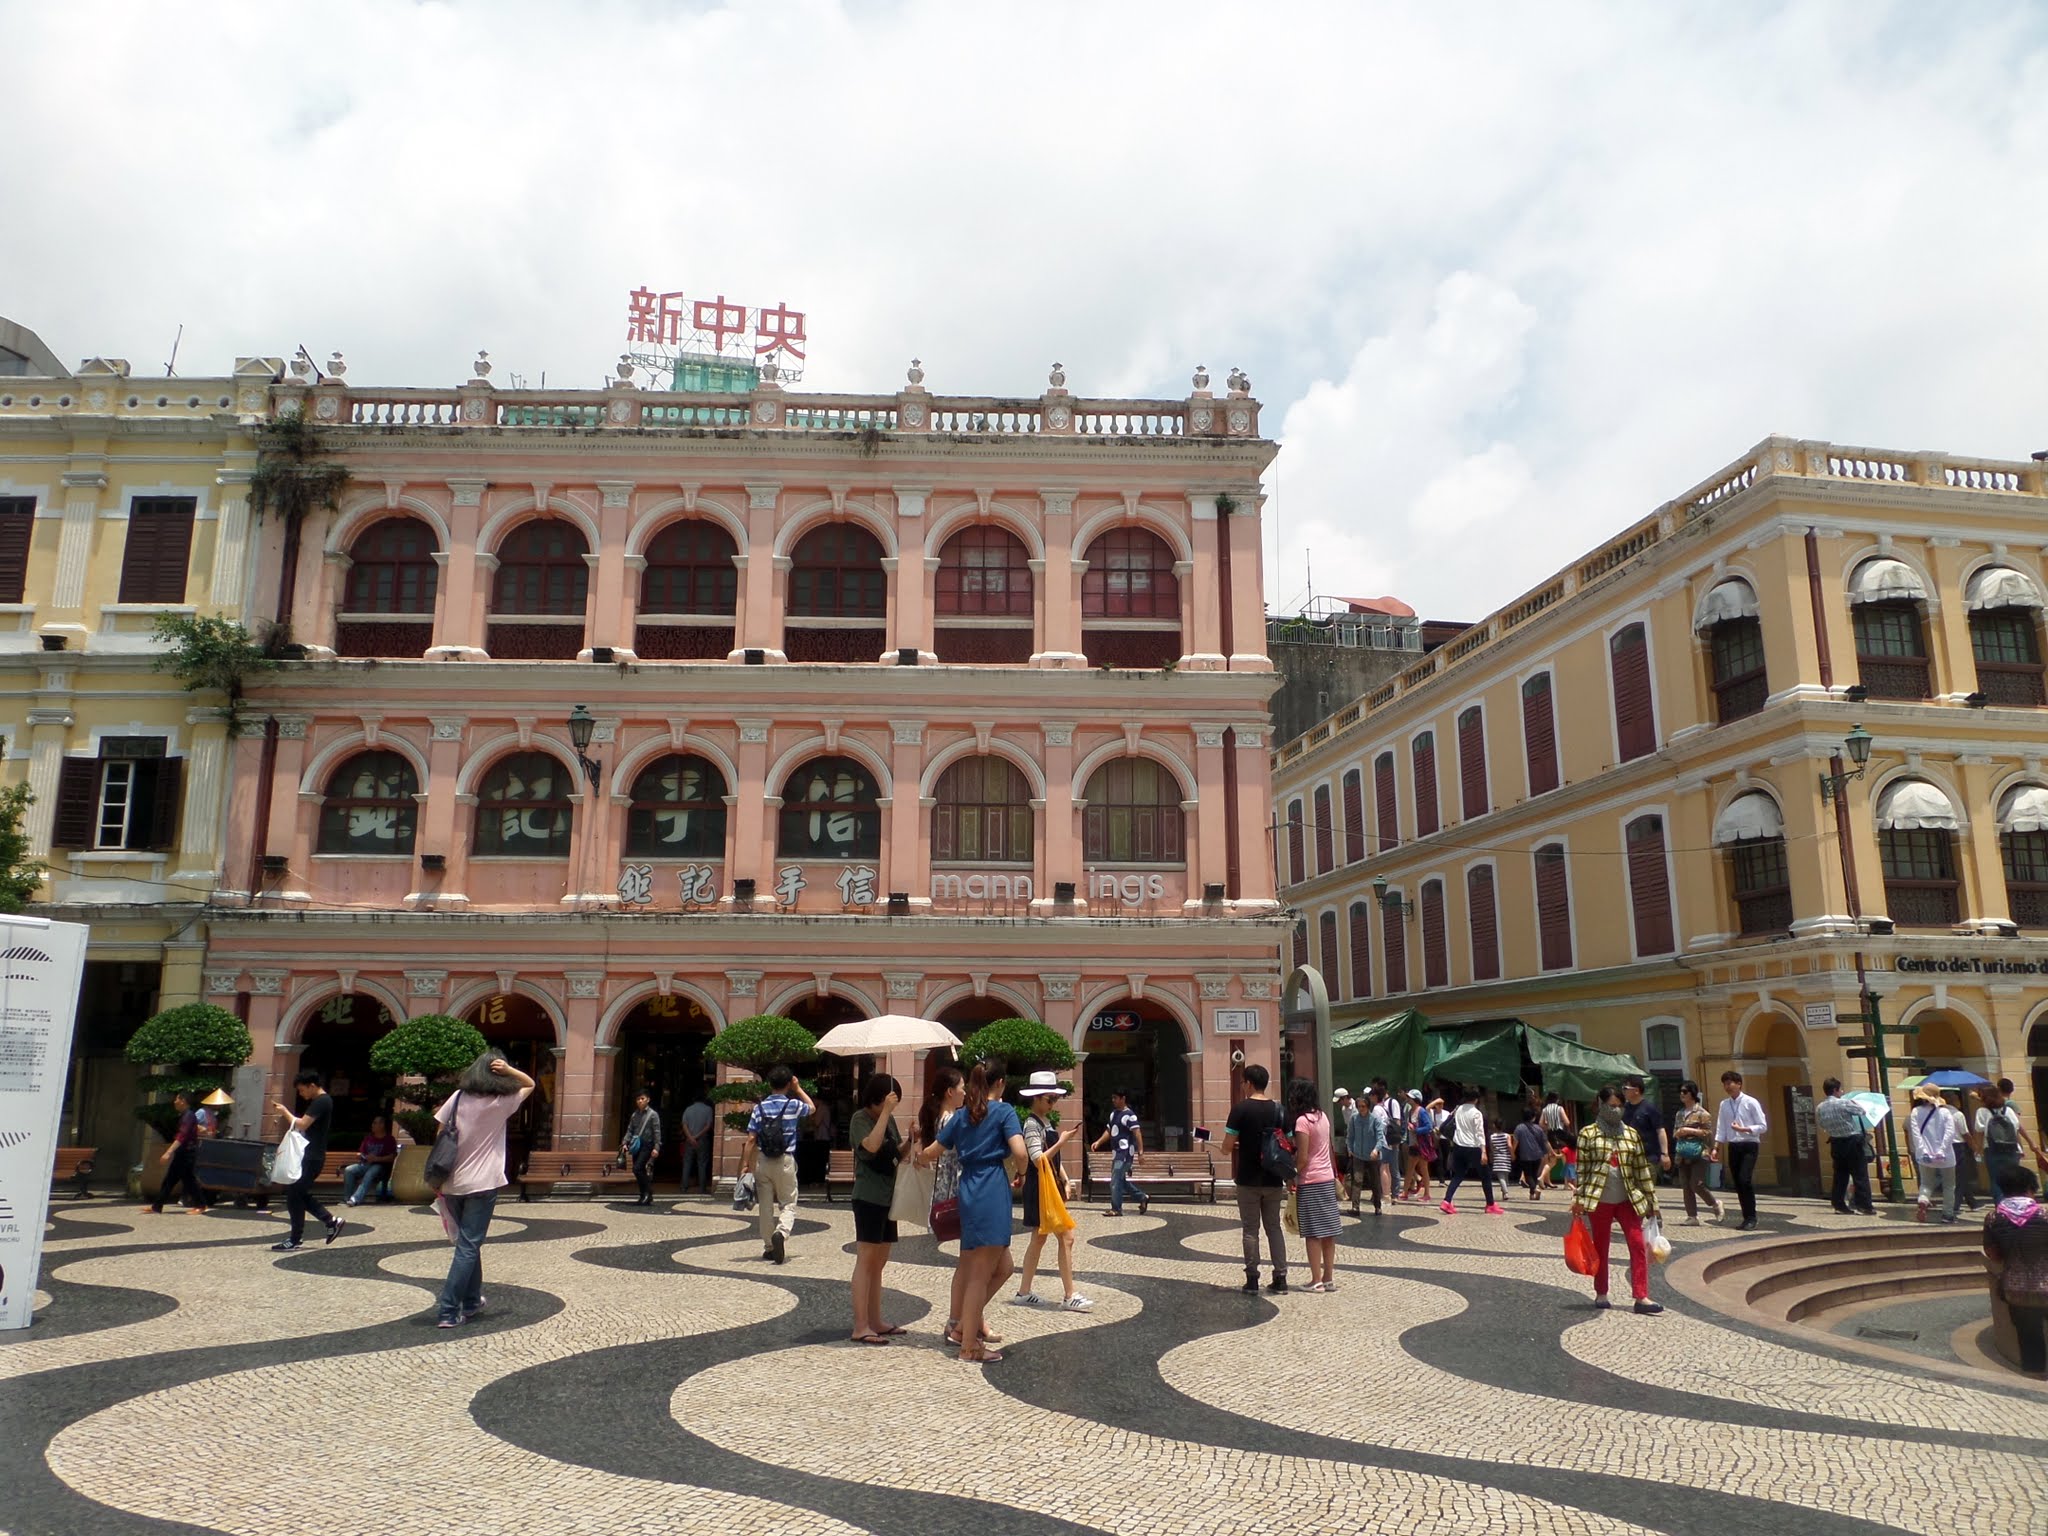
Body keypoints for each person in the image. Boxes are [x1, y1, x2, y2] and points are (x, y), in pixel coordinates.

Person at [432, 1051, 535, 1328]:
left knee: (468, 1242)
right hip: (483, 1183)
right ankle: (448, 1309)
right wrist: (510, 1069)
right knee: (468, 1246)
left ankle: (472, 1301)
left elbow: (440, 1134)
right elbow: (530, 1084)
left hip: (451, 1181)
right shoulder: (500, 1103)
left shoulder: (456, 1098)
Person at [936, 1056, 1026, 1364]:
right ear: (1000, 1083)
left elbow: (933, 1151)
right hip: (991, 1187)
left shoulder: (962, 1116)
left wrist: (915, 1153)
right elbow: (1020, 1151)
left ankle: (964, 1327)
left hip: (970, 1188)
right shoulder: (1003, 1111)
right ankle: (969, 1347)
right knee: (979, 1273)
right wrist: (1022, 1171)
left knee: (1004, 1266)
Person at [1574, 1084, 1664, 1315]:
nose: (1616, 1110)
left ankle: (1641, 1296)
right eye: (1611, 1106)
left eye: (1620, 1106)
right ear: (1601, 1105)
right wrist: (1578, 1199)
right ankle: (1601, 1291)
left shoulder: (1631, 1135)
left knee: (1637, 1244)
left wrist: (1652, 1202)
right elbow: (1582, 1171)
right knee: (1600, 1247)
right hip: (1599, 1200)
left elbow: (1641, 1170)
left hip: (1628, 1200)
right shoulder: (1587, 1134)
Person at [1014, 1071, 1090, 1311]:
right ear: (1036, 1098)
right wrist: (1063, 1141)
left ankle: (1024, 1291)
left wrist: (1064, 1177)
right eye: (1050, 1099)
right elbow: (1038, 1159)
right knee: (1065, 1236)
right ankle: (1069, 1295)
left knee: (1039, 1238)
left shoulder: (1045, 1122)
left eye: (1055, 1099)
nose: (1053, 1103)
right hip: (1041, 1188)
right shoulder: (1031, 1123)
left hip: (1049, 1185)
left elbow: (1051, 1160)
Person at [848, 1073, 905, 1344]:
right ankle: (861, 1325)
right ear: (878, 1099)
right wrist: (885, 1114)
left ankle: (875, 1319)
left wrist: (911, 1141)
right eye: (889, 1101)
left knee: (879, 1262)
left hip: (887, 1197)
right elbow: (870, 1146)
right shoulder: (860, 1119)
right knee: (866, 1260)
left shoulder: (889, 1118)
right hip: (868, 1197)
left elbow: (894, 1153)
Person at [1223, 1062, 1288, 1293]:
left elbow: (1227, 1147)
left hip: (1248, 1179)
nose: (1241, 1086)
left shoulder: (1240, 1110)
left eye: (1242, 1082)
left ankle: (1252, 1278)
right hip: (1274, 1178)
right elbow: (1289, 1143)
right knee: (1274, 1228)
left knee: (1250, 1229)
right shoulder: (1279, 1110)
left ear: (1249, 1083)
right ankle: (1280, 1277)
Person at [1982, 1166, 2048, 1374]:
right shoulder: (2044, 1215)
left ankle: (2034, 1380)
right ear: (2030, 1188)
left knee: (2029, 1339)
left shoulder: (1993, 1218)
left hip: (2016, 1290)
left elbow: (1993, 1254)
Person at [745, 1065, 813, 1264]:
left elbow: (751, 1139)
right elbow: (812, 1108)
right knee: (788, 1203)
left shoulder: (759, 1108)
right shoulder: (793, 1105)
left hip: (763, 1162)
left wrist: (746, 1166)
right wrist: (798, 1089)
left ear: (769, 1084)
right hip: (785, 1160)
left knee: (765, 1206)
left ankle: (769, 1247)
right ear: (788, 1084)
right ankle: (781, 1233)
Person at [272, 1070, 342, 1253]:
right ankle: (327, 1222)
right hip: (310, 1155)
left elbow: (303, 1124)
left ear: (312, 1085)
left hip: (312, 1156)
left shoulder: (322, 1101)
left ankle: (300, 1236)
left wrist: (285, 1112)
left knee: (295, 1194)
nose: (302, 1095)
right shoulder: (320, 1102)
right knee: (296, 1194)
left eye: (302, 1090)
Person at [1287, 1077, 1341, 1292]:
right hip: (1327, 1178)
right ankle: (1328, 1277)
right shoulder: (1323, 1117)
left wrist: (1291, 1174)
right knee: (1328, 1231)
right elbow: (1326, 1149)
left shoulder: (1303, 1122)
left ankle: (1315, 1279)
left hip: (1310, 1180)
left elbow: (1302, 1157)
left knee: (1312, 1232)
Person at [1712, 1069, 1768, 1230]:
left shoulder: (1751, 1102)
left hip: (1749, 1144)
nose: (1727, 1086)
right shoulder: (1724, 1104)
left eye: (1730, 1083)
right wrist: (1716, 1147)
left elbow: (1763, 1126)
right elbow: (1721, 1127)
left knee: (1745, 1179)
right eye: (1725, 1084)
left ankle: (1752, 1217)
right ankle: (1746, 1217)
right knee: (1737, 1182)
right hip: (1734, 1146)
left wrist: (1746, 1129)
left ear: (1739, 1084)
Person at [1814, 1077, 1876, 1216]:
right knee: (1860, 1174)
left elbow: (1822, 1125)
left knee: (1840, 1175)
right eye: (1840, 1089)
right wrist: (1854, 1102)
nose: (1842, 1092)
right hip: (1852, 1140)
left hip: (1836, 1141)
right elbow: (1862, 1111)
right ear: (1835, 1090)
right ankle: (1864, 1205)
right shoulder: (1844, 1103)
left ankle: (1839, 1205)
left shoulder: (1820, 1107)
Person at [1438, 1085, 1503, 1216]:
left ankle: (1447, 1201)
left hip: (1458, 1146)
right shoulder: (1476, 1113)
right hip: (1473, 1148)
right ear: (1476, 1099)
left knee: (1459, 1174)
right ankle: (1490, 1204)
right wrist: (1484, 1151)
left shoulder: (1459, 1109)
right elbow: (1480, 1133)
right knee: (1485, 1175)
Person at [1975, 1079, 2044, 1201]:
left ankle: (2001, 1208)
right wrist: (2028, 1143)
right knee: (2012, 1179)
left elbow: (1979, 1131)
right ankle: (2015, 1205)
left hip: (1992, 1149)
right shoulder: (2008, 1110)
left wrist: (1979, 1149)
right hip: (2012, 1149)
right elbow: (2017, 1128)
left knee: (1996, 1180)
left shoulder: (1982, 1112)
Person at [1907, 1084, 1963, 1224]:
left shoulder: (1916, 1112)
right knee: (1949, 1185)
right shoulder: (1945, 1113)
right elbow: (1950, 1133)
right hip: (1946, 1156)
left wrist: (1924, 1150)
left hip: (1924, 1155)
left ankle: (1923, 1200)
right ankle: (1948, 1214)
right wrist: (1941, 1150)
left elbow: (1916, 1134)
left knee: (1926, 1183)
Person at [1671, 1081, 1724, 1225]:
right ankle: (1692, 1216)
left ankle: (1714, 1203)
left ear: (1692, 1094)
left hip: (1700, 1152)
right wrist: (1679, 1133)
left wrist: (1689, 1130)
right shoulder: (1680, 1113)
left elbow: (1707, 1133)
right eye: (1680, 1091)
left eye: (1685, 1091)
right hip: (1683, 1153)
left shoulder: (1702, 1113)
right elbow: (1675, 1131)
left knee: (1696, 1184)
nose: (1682, 1094)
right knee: (1686, 1186)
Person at [1089, 1087, 1148, 1217]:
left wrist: (1141, 1152)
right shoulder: (1114, 1114)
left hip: (1125, 1153)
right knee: (1120, 1180)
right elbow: (1109, 1130)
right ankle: (1142, 1197)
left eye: (1116, 1098)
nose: (1113, 1100)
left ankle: (1116, 1208)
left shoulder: (1130, 1116)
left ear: (1123, 1099)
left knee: (1115, 1180)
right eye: (1113, 1098)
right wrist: (1098, 1142)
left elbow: (1137, 1133)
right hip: (1116, 1153)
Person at [148, 1090, 207, 1215]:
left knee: (188, 1180)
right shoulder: (186, 1115)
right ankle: (156, 1206)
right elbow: (190, 1131)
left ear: (183, 1101)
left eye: (176, 1099)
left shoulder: (188, 1116)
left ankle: (201, 1205)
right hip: (183, 1153)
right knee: (171, 1179)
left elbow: (182, 1136)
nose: (174, 1102)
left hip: (187, 1153)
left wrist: (168, 1152)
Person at [341, 1115, 399, 1207]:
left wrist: (377, 1158)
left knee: (372, 1171)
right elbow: (362, 1153)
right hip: (366, 1164)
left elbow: (392, 1157)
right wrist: (361, 1156)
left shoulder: (389, 1139)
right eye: (373, 1123)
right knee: (349, 1170)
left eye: (375, 1123)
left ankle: (355, 1198)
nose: (372, 1125)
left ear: (382, 1125)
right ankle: (347, 1198)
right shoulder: (368, 1138)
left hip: (382, 1167)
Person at [1346, 1085, 1386, 1214]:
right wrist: (1350, 1148)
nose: (1361, 1109)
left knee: (1375, 1181)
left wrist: (1376, 1149)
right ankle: (1355, 1206)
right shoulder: (1354, 1119)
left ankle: (1377, 1206)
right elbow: (1350, 1136)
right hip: (1358, 1154)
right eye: (1359, 1107)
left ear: (1368, 1107)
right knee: (1357, 1180)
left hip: (1372, 1156)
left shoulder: (1375, 1119)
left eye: (1363, 1106)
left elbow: (1380, 1137)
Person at [618, 1091, 662, 1206]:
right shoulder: (635, 1115)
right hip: (636, 1145)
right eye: (638, 1099)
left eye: (642, 1098)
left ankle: (647, 1192)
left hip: (647, 1145)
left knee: (637, 1168)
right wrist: (625, 1143)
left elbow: (657, 1132)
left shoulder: (653, 1114)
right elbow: (630, 1130)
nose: (640, 1101)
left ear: (648, 1099)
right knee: (639, 1170)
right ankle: (644, 1194)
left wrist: (657, 1147)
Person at [1622, 1077, 1669, 1182]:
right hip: (1629, 1158)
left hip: (1648, 1158)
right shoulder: (1624, 1109)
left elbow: (1660, 1131)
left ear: (1636, 1090)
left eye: (1626, 1088)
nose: (1623, 1091)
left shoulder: (1650, 1108)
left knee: (1647, 1190)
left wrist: (1664, 1154)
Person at [1405, 1090, 1441, 1203]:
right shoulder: (1410, 1111)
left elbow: (1429, 1126)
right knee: (1414, 1168)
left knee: (1420, 1168)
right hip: (1413, 1143)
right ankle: (1407, 1192)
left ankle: (1424, 1193)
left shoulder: (1422, 1111)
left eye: (1410, 1097)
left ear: (1415, 1099)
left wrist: (1416, 1130)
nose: (1408, 1099)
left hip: (1421, 1144)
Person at [1950, 1091, 1983, 1211]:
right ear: (1955, 1101)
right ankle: (1955, 1204)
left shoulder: (1939, 1113)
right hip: (1958, 1146)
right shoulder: (1958, 1114)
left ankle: (1971, 1201)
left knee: (1960, 1175)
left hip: (1946, 1147)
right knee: (1960, 1176)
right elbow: (1965, 1134)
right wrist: (1975, 1147)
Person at [678, 1092, 715, 1194]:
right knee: (702, 1164)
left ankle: (684, 1187)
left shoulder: (688, 1109)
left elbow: (684, 1125)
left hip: (689, 1140)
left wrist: (690, 1137)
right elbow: (708, 1126)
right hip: (702, 1140)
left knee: (687, 1163)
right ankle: (702, 1188)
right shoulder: (708, 1109)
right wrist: (697, 1136)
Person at [1511, 1109, 1549, 1202]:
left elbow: (1515, 1142)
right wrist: (1548, 1152)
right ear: (1533, 1117)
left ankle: (1534, 1189)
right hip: (1537, 1154)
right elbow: (1545, 1141)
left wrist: (1512, 1153)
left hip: (1525, 1155)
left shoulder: (1519, 1128)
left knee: (1528, 1175)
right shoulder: (1538, 1128)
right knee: (1534, 1174)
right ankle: (1532, 1195)